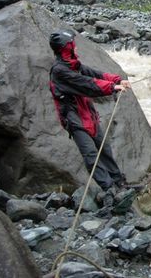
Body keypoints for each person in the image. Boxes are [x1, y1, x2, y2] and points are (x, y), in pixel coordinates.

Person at [48, 29, 131, 195]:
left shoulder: (74, 65)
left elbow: (94, 74)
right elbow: (86, 83)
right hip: (73, 118)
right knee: (91, 155)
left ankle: (119, 183)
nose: (76, 48)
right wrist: (112, 87)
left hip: (88, 114)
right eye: (73, 45)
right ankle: (109, 190)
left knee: (104, 149)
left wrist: (116, 79)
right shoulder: (59, 71)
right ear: (66, 48)